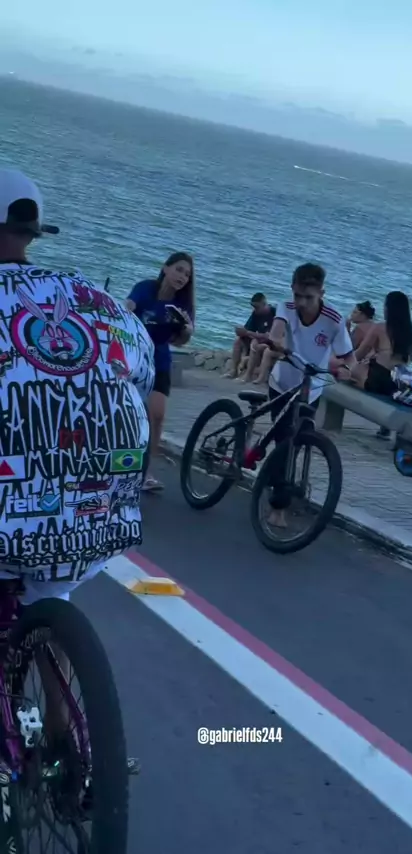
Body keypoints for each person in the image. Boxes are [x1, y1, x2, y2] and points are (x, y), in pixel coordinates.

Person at [0, 168, 154, 749]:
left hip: (8, 516)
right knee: (50, 590)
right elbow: (144, 376)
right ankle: (68, 746)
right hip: (99, 513)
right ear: (33, 234)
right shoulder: (99, 301)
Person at [268, 263, 355, 526]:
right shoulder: (286, 308)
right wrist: (277, 342)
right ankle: (277, 507)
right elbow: (277, 332)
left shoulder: (333, 319)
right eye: (297, 295)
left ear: (321, 294)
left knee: (299, 440)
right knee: (284, 442)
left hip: (311, 389)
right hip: (282, 383)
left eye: (309, 297)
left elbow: (349, 357)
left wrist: (347, 370)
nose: (302, 303)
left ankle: (282, 485)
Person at [126, 252, 195, 490]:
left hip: (159, 359)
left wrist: (187, 330)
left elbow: (181, 342)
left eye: (187, 274)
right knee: (123, 412)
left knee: (156, 416)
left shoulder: (183, 305)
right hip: (133, 354)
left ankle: (146, 471)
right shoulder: (146, 288)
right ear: (165, 268)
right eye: (179, 269)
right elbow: (128, 308)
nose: (182, 277)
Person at [339, 290, 412, 439]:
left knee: (345, 371)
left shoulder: (381, 327)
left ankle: (332, 415)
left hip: (376, 380)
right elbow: (406, 361)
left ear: (389, 309)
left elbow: (359, 354)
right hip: (396, 385)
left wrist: (342, 363)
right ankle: (385, 427)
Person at [224, 293, 276, 380]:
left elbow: (269, 337)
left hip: (270, 344)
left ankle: (248, 375)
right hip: (258, 340)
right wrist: (241, 332)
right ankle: (233, 370)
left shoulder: (274, 313)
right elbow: (248, 329)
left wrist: (248, 333)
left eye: (257, 307)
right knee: (238, 341)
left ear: (264, 304)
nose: (254, 309)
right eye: (253, 307)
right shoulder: (256, 314)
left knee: (255, 344)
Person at [329, 300, 376, 374]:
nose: (351, 315)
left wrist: (347, 329)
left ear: (363, 315)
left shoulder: (360, 328)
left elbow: (349, 348)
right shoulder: (374, 326)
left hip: (361, 364)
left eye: (355, 312)